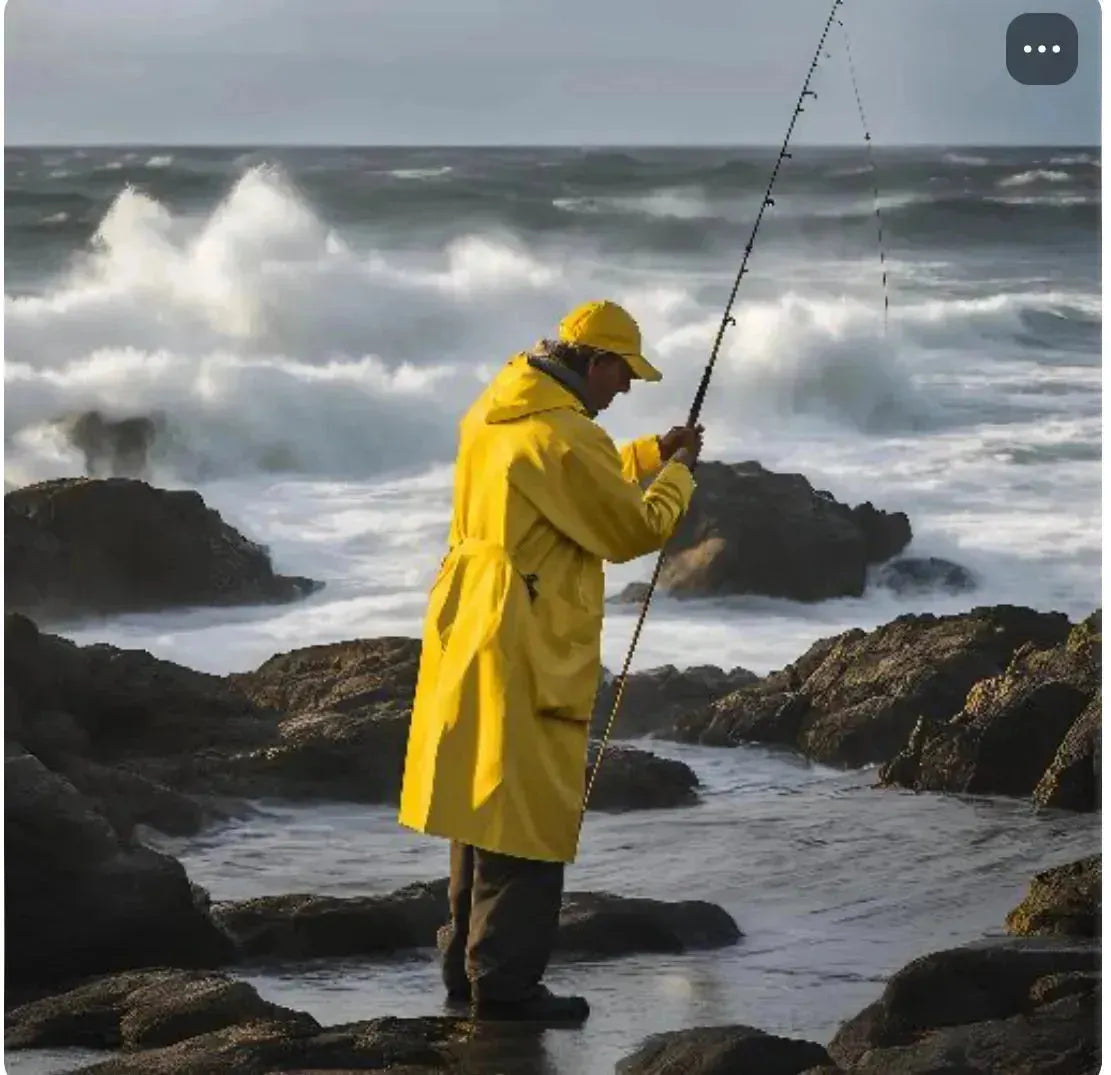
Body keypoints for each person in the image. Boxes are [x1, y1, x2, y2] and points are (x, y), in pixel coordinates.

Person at [398, 299, 703, 1024]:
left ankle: (460, 966)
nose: (624, 390)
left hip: (468, 622)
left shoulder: (496, 406)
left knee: (477, 803)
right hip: (527, 635)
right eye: (622, 375)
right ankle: (505, 989)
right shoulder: (565, 437)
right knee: (528, 817)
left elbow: (561, 483)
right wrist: (679, 476)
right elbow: (631, 528)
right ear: (594, 362)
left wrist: (647, 453)